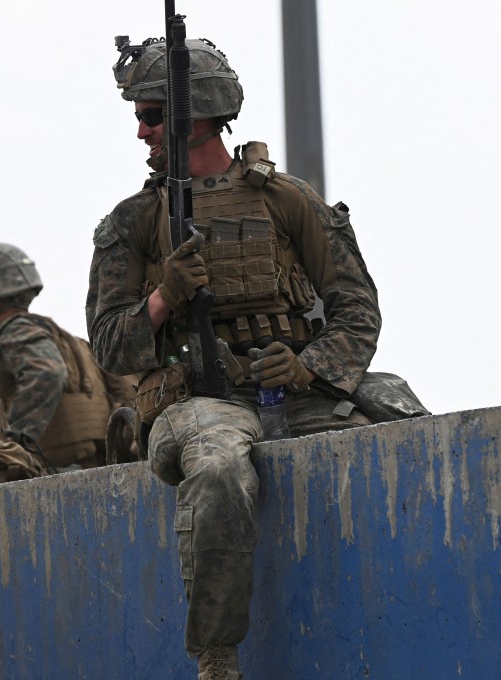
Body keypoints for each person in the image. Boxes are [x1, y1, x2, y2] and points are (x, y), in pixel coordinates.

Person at [86, 37, 381, 679]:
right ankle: (217, 656)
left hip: (295, 395)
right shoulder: (134, 221)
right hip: (201, 405)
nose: (141, 131)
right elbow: (110, 344)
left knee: (395, 445)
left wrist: (311, 367)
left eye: (154, 114)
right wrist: (166, 295)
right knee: (217, 472)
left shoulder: (287, 200)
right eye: (140, 114)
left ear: (198, 114)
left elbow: (357, 310)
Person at [0, 243, 132, 471]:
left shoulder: (16, 332)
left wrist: (9, 447)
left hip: (52, 474)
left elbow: (46, 372)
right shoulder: (66, 341)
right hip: (86, 471)